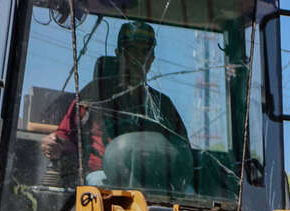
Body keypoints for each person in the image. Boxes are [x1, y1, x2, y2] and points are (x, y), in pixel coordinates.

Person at [41, 21, 188, 180]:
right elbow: (64, 135)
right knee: (99, 181)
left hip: (155, 181)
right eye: (131, 50)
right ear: (118, 54)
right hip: (104, 179)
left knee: (189, 192)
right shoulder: (93, 94)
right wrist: (54, 142)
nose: (138, 58)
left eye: (144, 52)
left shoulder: (163, 105)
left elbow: (183, 151)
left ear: (152, 58)